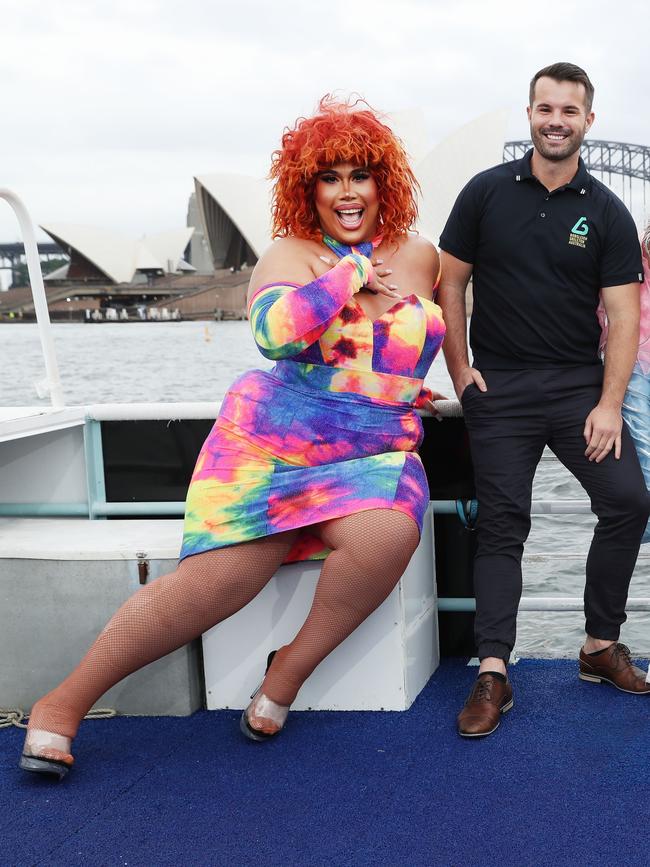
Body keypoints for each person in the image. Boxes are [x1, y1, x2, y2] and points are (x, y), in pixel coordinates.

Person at [20, 96, 445, 778]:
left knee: (390, 532)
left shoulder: (423, 254)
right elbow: (274, 334)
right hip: (269, 449)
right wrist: (347, 273)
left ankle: (286, 677)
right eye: (328, 176)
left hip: (369, 453)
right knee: (214, 586)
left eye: (359, 174)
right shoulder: (291, 251)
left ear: (382, 182)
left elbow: (425, 342)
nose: (345, 190)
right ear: (306, 187)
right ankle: (60, 704)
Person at [437, 62, 650, 739]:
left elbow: (623, 316)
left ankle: (597, 644)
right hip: (499, 386)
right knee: (503, 522)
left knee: (628, 499)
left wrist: (610, 402)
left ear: (590, 120)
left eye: (569, 109)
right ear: (530, 114)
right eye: (545, 107)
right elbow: (450, 285)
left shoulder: (608, 212)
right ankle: (494, 668)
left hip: (579, 387)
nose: (556, 119)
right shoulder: (484, 192)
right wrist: (460, 368)